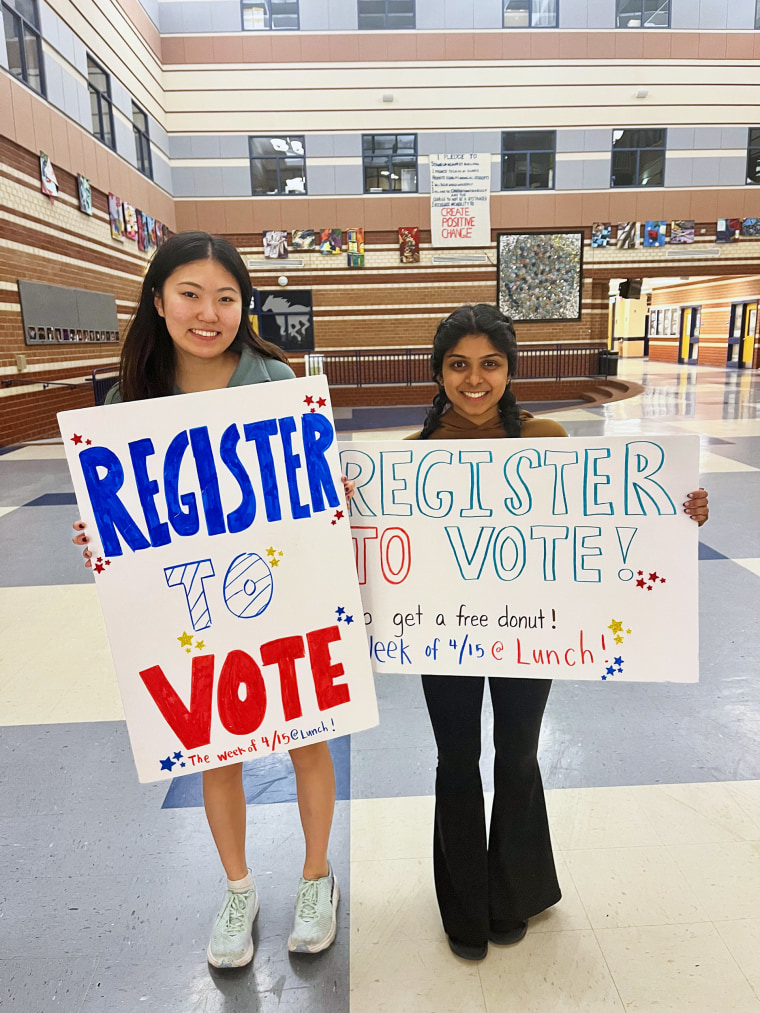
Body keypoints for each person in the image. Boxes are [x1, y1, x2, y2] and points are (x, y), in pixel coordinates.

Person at [72, 231, 350, 969]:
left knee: (306, 735)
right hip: (186, 610)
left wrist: (332, 493)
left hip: (280, 590)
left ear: (244, 306)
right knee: (215, 745)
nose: (209, 312)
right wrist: (99, 528)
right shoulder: (125, 398)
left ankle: (317, 875)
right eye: (191, 294)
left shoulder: (273, 378)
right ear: (158, 300)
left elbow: (307, 478)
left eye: (227, 297)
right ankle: (238, 886)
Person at [408, 304, 709, 961]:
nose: (475, 378)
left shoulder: (546, 438)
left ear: (510, 368)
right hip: (444, 635)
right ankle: (463, 902)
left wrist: (678, 509)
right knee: (456, 761)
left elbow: (606, 521)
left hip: (531, 631)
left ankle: (510, 892)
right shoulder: (414, 458)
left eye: (490, 363)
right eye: (458, 364)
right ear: (439, 372)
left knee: (517, 754)